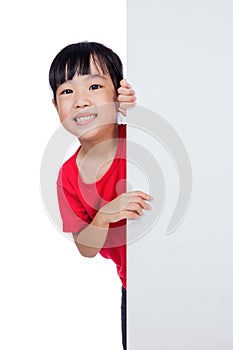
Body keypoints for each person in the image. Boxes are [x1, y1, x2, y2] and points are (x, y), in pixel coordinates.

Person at [49, 41, 152, 350]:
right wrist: (104, 215)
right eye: (67, 92)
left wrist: (140, 109)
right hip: (133, 287)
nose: (80, 101)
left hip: (177, 270)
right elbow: (85, 247)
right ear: (56, 107)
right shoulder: (67, 175)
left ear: (117, 94)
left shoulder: (139, 135)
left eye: (94, 86)